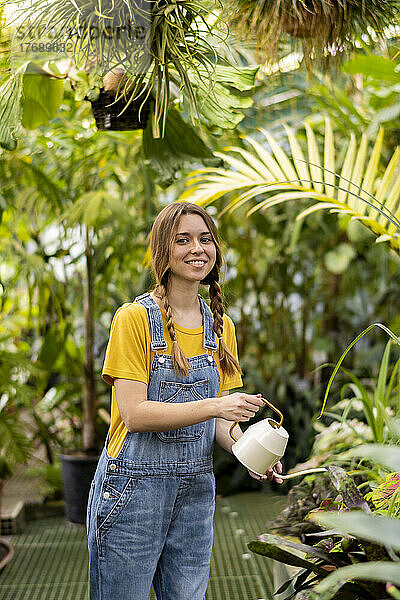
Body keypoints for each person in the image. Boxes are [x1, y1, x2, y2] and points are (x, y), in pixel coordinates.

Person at [87, 201, 283, 600]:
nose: (197, 249)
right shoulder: (135, 319)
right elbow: (135, 413)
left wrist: (250, 450)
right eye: (183, 240)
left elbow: (221, 422)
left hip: (195, 492)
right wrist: (215, 406)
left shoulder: (220, 326)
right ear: (164, 251)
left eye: (205, 239)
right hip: (132, 491)